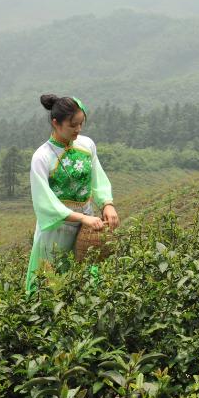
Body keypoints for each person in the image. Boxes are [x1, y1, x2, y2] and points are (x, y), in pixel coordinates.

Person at [25, 95, 119, 292]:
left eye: (81, 124)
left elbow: (97, 178)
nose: (78, 130)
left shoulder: (87, 146)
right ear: (56, 123)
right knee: (51, 284)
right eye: (72, 125)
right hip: (57, 230)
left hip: (87, 229)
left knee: (89, 282)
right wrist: (82, 218)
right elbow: (45, 203)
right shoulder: (42, 157)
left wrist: (107, 204)